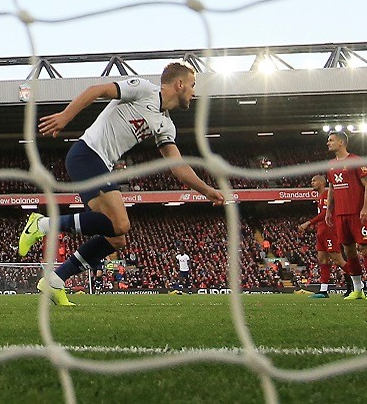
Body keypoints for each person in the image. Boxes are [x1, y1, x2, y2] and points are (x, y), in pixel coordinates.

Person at [19, 63, 224, 305]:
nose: (193, 92)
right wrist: (65, 116)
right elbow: (96, 90)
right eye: (192, 85)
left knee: (117, 238)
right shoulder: (143, 89)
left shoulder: (166, 125)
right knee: (121, 223)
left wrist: (207, 190)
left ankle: (55, 280)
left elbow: (178, 165)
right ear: (179, 84)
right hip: (87, 154)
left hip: (100, 164)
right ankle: (42, 224)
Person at [324, 131, 367, 300]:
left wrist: (365, 208)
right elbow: (332, 189)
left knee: (366, 248)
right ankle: (357, 289)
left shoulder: (356, 161)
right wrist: (328, 210)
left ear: (341, 143)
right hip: (340, 214)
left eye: (331, 140)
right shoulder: (331, 165)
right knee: (349, 251)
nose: (328, 143)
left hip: (357, 212)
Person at [297, 174, 351, 298]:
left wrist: (308, 223)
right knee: (322, 260)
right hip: (321, 232)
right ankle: (323, 290)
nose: (312, 183)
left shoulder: (327, 195)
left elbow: (325, 214)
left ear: (322, 183)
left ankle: (360, 283)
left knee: (338, 260)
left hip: (329, 231)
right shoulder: (321, 197)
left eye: (314, 181)